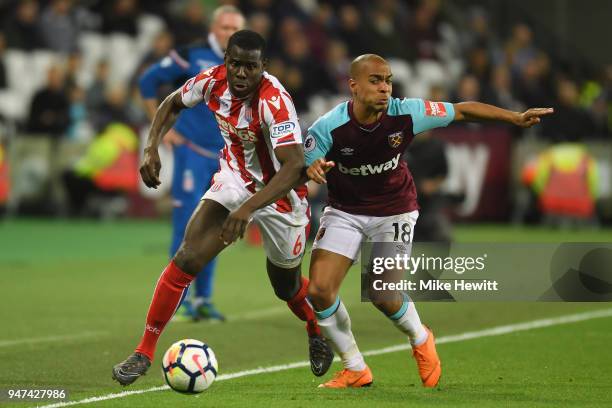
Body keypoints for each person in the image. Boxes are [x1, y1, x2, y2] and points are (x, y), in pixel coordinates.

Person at [303, 54, 553, 388]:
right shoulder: (329, 126)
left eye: (388, 80)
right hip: (345, 211)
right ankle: (355, 367)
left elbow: (461, 110)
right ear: (353, 86)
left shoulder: (407, 112)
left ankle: (421, 338)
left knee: (382, 295)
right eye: (375, 80)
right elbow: (306, 159)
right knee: (319, 290)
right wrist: (312, 167)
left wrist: (514, 117)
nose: (384, 88)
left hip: (394, 209)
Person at [112, 30, 333, 386]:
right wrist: (152, 147)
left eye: (250, 67)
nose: (241, 73)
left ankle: (315, 327)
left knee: (286, 286)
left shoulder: (274, 101)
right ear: (225, 61)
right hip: (233, 181)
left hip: (281, 197)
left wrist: (246, 211)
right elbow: (171, 102)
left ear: (264, 67)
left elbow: (293, 167)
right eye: (235, 64)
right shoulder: (211, 81)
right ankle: (144, 350)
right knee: (187, 258)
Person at [138, 5, 244, 321]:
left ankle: (203, 300)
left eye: (234, 29)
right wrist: (161, 130)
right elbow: (147, 82)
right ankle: (178, 301)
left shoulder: (244, 65)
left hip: (225, 159)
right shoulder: (192, 54)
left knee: (217, 227)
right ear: (213, 30)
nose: (228, 34)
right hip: (191, 153)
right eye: (224, 28)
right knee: (186, 224)